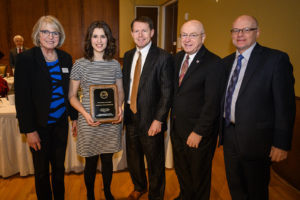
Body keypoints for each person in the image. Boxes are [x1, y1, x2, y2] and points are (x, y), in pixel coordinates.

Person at [219, 15, 295, 200]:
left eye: (247, 29)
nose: (240, 34)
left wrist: (281, 143)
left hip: (258, 141)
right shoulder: (225, 62)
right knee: (235, 186)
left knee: (256, 191)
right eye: (236, 30)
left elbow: (285, 105)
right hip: (229, 135)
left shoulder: (275, 60)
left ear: (258, 32)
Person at [14, 15, 78, 200]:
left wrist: (73, 117)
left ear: (60, 35)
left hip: (60, 124)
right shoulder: (26, 59)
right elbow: (22, 99)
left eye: (55, 32)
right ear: (38, 34)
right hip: (38, 127)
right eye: (46, 32)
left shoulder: (65, 58)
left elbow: (69, 92)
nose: (51, 36)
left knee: (59, 169)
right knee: (41, 172)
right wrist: (29, 130)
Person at [68, 21, 124, 200]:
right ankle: (90, 195)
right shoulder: (79, 64)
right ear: (89, 39)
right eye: (95, 36)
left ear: (108, 39)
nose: (99, 40)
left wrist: (120, 108)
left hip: (110, 121)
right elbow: (71, 96)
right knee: (91, 161)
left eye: (103, 36)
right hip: (88, 121)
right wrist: (85, 115)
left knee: (107, 161)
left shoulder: (115, 64)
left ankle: (107, 192)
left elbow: (120, 91)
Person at [170, 20, 224, 200]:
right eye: (184, 35)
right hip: (177, 129)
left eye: (193, 35)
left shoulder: (214, 63)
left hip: (197, 133)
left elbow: (212, 103)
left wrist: (199, 132)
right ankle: (185, 196)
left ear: (203, 37)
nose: (187, 39)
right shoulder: (177, 59)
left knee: (199, 176)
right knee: (182, 170)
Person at [122, 16, 173, 200]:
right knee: (134, 158)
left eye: (145, 30)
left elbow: (167, 92)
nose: (140, 35)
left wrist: (159, 119)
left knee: (154, 162)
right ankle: (139, 186)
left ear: (152, 32)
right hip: (131, 117)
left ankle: (155, 195)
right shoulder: (128, 56)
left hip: (152, 120)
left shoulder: (163, 57)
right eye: (136, 31)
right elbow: (126, 87)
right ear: (132, 33)